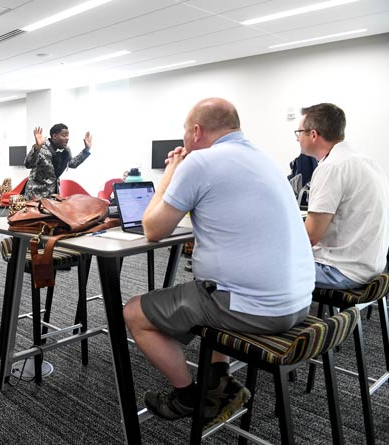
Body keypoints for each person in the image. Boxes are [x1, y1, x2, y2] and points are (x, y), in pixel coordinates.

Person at [123, 98, 314, 429]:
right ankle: (218, 385)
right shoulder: (263, 158)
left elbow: (153, 228)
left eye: (184, 132)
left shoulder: (200, 163)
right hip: (298, 301)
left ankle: (188, 395)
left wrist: (171, 171)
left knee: (134, 312)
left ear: (196, 131)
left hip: (256, 307)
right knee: (206, 287)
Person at [297, 103, 389, 289]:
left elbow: (310, 236)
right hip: (374, 267)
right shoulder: (367, 161)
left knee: (266, 264)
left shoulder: (332, 167)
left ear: (313, 135)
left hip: (341, 271)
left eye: (299, 132)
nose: (298, 138)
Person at [23, 124, 92, 199]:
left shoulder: (66, 150)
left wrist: (86, 150)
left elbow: (72, 164)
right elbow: (28, 164)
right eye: (64, 135)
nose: (67, 138)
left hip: (53, 195)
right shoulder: (41, 147)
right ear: (55, 136)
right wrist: (37, 148)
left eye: (67, 136)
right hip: (36, 195)